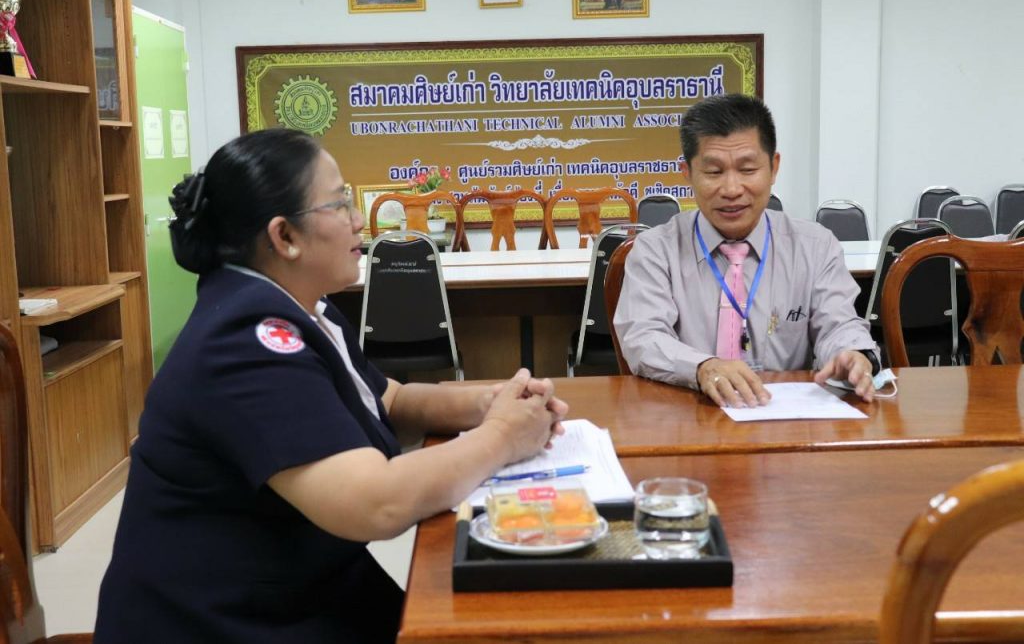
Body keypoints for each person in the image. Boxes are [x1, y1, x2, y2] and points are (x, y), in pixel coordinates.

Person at [94, 128, 568, 643]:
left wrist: (486, 403)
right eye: (340, 203)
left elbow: (388, 399)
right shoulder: (246, 343)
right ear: (285, 237)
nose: (359, 219)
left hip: (302, 594)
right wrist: (502, 436)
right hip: (224, 622)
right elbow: (374, 503)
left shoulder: (303, 308)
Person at [614, 94, 880, 407]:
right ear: (687, 173)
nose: (731, 189)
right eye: (714, 172)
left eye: (748, 169)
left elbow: (838, 324)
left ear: (774, 167)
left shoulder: (814, 247)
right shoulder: (655, 250)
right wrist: (702, 367)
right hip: (687, 412)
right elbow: (643, 337)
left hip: (783, 416)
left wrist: (852, 354)